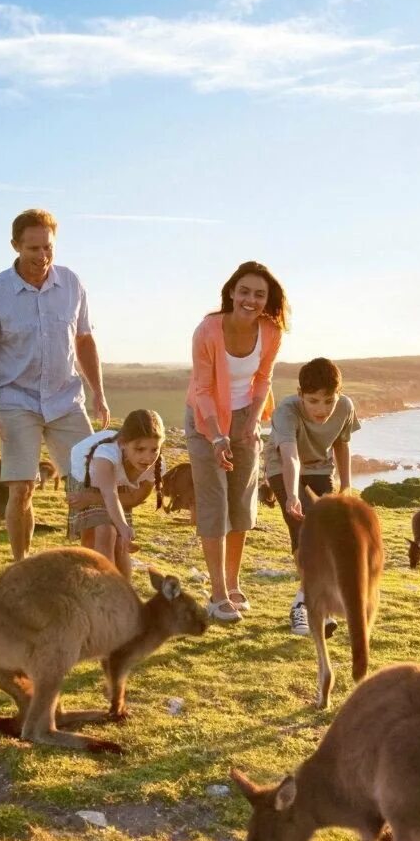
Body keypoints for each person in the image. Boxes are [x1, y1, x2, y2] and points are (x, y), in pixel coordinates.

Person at [0, 208, 110, 562]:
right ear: (15, 246)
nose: (42, 256)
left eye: (48, 248)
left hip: (65, 399)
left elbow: (85, 342)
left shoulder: (72, 283)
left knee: (90, 483)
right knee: (22, 487)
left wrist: (99, 395)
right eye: (33, 249)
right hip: (16, 401)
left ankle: (89, 563)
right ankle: (21, 566)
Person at [184, 261, 285, 623]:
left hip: (246, 417)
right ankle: (216, 594)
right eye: (244, 292)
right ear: (231, 292)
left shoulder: (271, 331)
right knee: (215, 501)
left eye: (259, 294)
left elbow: (263, 378)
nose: (251, 300)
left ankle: (233, 580)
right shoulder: (208, 330)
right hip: (205, 420)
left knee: (241, 500)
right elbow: (202, 388)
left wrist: (253, 420)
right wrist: (216, 436)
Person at [266, 356, 361, 635]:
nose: (322, 409)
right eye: (313, 401)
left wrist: (346, 486)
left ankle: (311, 602)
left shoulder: (345, 407)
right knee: (305, 531)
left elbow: (342, 445)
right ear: (300, 395)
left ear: (338, 395)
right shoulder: (286, 412)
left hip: (321, 469)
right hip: (282, 468)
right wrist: (293, 495)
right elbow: (290, 457)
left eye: (328, 400)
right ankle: (304, 606)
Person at [66, 409, 164, 576]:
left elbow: (135, 498)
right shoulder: (105, 454)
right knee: (104, 532)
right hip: (88, 478)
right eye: (140, 449)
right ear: (123, 443)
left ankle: (125, 596)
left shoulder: (156, 466)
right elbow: (109, 494)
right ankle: (105, 589)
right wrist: (123, 526)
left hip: (117, 480)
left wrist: (92, 499)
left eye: (153, 449)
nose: (148, 457)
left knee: (120, 543)